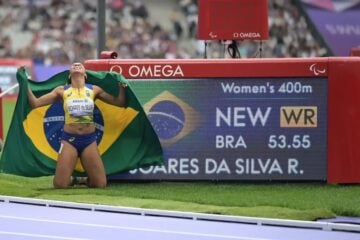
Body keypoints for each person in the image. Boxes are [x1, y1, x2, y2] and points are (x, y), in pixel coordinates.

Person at [20, 63, 127, 188]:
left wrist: (122, 87)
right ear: (70, 75)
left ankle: (83, 180)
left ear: (85, 74)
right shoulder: (61, 91)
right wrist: (24, 83)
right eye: (74, 65)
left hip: (89, 140)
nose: (76, 65)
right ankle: (72, 179)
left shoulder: (94, 90)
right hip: (69, 140)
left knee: (100, 184)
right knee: (60, 185)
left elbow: (119, 102)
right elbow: (35, 103)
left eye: (80, 65)